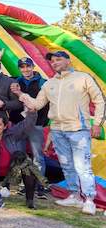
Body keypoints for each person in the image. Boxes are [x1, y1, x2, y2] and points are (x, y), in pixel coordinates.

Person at [17, 50, 105, 215]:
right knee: (67, 165)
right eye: (52, 61)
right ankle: (74, 196)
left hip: (79, 129)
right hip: (58, 130)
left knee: (82, 166)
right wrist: (21, 94)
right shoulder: (49, 83)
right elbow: (36, 104)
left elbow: (99, 100)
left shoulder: (83, 78)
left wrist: (98, 123)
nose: (54, 63)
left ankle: (89, 200)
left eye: (58, 59)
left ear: (68, 61)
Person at [14, 57, 49, 175]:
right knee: (21, 155)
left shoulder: (43, 82)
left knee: (37, 156)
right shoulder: (16, 82)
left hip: (36, 124)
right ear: (19, 69)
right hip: (20, 124)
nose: (25, 69)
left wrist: (43, 121)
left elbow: (48, 103)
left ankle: (40, 186)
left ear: (33, 66)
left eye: (28, 66)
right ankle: (25, 184)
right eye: (22, 67)